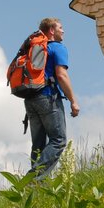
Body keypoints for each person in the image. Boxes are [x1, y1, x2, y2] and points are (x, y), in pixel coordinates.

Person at [26, 17, 80, 178]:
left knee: (38, 145)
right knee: (59, 140)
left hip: (30, 98)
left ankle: (36, 187)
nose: (63, 31)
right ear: (52, 30)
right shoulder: (57, 47)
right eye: (60, 28)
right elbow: (61, 75)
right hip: (48, 97)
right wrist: (73, 101)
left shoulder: (34, 48)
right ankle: (32, 179)